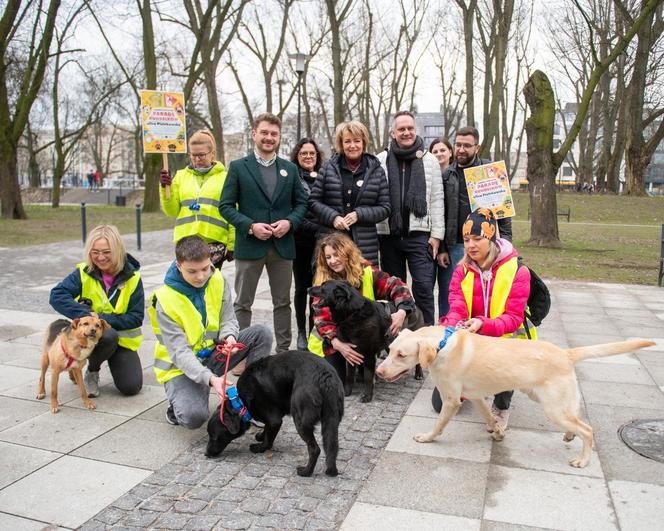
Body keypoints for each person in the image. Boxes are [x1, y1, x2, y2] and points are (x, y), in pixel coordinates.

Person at [149, 235, 273, 428]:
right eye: (192, 271)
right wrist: (211, 379)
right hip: (181, 366)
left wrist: (230, 337)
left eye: (205, 268)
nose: (201, 276)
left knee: (261, 333)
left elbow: (228, 319)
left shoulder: (217, 279)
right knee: (193, 418)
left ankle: (252, 401)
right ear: (178, 265)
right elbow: (180, 353)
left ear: (210, 261)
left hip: (215, 354)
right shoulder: (164, 300)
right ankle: (177, 404)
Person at [433, 208, 531, 432]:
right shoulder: (462, 270)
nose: (470, 245)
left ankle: (501, 404)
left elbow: (514, 318)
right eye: (466, 239)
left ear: (493, 238)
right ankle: (476, 384)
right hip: (472, 337)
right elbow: (456, 306)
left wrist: (482, 323)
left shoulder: (518, 271)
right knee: (440, 403)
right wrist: (451, 328)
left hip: (506, 339)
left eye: (478, 239)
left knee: (505, 373)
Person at [219, 113, 307, 354]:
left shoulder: (289, 169)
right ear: (254, 134)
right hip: (250, 246)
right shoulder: (238, 167)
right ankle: (239, 353)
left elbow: (302, 204)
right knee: (242, 303)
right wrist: (250, 226)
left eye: (274, 134)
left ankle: (283, 352)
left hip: (282, 247)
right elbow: (225, 206)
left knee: (283, 302)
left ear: (279, 137)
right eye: (265, 133)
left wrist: (289, 222)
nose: (269, 138)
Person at [308, 232, 422, 384]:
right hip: (329, 340)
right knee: (334, 380)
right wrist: (338, 344)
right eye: (328, 257)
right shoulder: (324, 280)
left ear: (347, 253)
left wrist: (402, 311)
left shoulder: (367, 272)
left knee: (362, 376)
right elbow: (321, 318)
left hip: (358, 336)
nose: (333, 261)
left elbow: (396, 286)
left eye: (336, 255)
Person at [49, 225, 143, 398]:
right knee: (107, 336)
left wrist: (101, 319)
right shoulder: (84, 272)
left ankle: (106, 358)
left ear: (117, 250)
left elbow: (136, 318)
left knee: (131, 387)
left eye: (107, 252)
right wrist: (85, 315)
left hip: (122, 341)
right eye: (95, 252)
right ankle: (92, 371)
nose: (100, 257)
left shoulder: (133, 278)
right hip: (91, 337)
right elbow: (56, 296)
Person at [376, 111, 444, 326]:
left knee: (424, 288)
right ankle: (398, 338)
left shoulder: (429, 160)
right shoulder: (381, 159)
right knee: (394, 291)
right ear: (393, 133)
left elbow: (436, 200)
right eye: (401, 129)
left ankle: (426, 336)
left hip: (420, 237)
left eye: (410, 128)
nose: (406, 132)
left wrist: (436, 236)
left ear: (416, 130)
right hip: (389, 235)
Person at [439, 126, 512, 319]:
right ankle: (448, 331)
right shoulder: (447, 174)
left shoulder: (490, 172)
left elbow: (503, 213)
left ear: (477, 147)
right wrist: (442, 248)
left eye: (467, 146)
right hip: (455, 244)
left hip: (485, 243)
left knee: (482, 293)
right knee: (452, 294)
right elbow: (440, 212)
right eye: (458, 145)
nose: (461, 150)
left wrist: (507, 243)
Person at [308, 120, 390, 265]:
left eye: (357, 141)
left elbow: (385, 208)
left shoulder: (376, 170)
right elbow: (313, 202)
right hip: (331, 242)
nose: (352, 146)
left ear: (363, 142)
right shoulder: (328, 168)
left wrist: (359, 214)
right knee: (331, 286)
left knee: (362, 285)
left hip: (365, 244)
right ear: (341, 144)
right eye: (347, 141)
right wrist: (333, 218)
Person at [159, 129, 235, 269]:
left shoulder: (225, 178)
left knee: (209, 285)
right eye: (193, 155)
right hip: (185, 243)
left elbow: (233, 212)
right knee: (187, 286)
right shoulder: (181, 176)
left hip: (214, 244)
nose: (197, 159)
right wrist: (165, 188)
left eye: (201, 155)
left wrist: (232, 244)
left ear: (212, 154)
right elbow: (171, 211)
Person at [290, 137, 325, 350]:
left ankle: (316, 329)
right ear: (297, 156)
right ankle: (301, 332)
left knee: (319, 287)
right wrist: (318, 228)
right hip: (300, 240)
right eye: (304, 153)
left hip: (322, 242)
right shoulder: (292, 178)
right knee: (302, 287)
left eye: (312, 153)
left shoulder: (322, 176)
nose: (308, 157)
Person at [429, 137, 455, 320]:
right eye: (435, 151)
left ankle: (446, 321)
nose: (439, 154)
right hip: (430, 238)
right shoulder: (428, 176)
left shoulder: (455, 176)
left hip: (450, 240)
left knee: (448, 287)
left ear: (450, 153)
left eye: (442, 150)